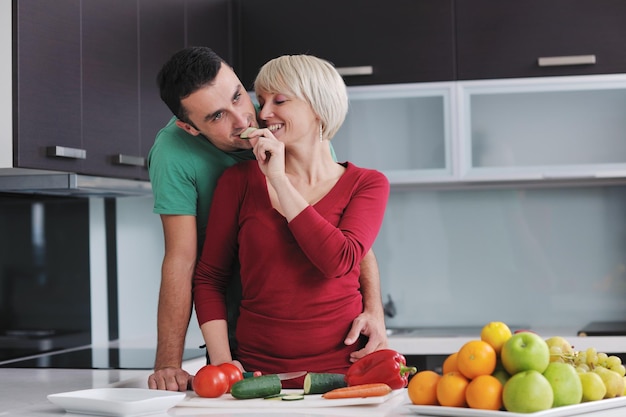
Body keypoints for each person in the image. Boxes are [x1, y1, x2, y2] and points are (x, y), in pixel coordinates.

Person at [147, 47, 388, 391]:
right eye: (217, 116)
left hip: (338, 357)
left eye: (240, 97)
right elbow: (184, 261)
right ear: (190, 127)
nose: (247, 119)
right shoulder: (176, 155)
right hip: (245, 344)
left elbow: (349, 248)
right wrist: (172, 363)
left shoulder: (301, 140)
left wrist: (375, 310)